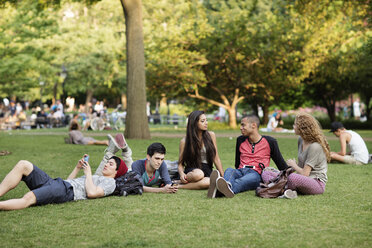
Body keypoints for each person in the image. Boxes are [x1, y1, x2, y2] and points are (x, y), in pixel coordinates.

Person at [0, 137, 128, 211]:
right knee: (24, 165)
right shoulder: (97, 177)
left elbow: (92, 193)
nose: (106, 164)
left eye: (111, 165)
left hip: (65, 191)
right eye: (108, 162)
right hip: (59, 184)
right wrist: (77, 168)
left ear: (116, 172)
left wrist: (88, 173)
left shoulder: (110, 183)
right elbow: (68, 182)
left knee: (29, 198)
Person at [208, 114, 288, 198]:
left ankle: (219, 190)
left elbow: (281, 164)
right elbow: (237, 163)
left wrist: (290, 173)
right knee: (229, 170)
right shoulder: (240, 140)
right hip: (240, 170)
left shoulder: (270, 142)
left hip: (256, 174)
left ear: (253, 125)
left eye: (243, 125)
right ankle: (226, 186)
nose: (240, 128)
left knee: (240, 181)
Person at [261, 112, 330, 198]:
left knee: (292, 177)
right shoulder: (301, 139)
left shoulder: (315, 147)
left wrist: (294, 165)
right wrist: (292, 169)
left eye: (295, 125)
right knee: (267, 172)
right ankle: (284, 189)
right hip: (300, 178)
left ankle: (280, 188)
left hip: (316, 183)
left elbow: (305, 174)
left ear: (302, 128)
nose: (293, 127)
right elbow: (301, 168)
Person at [178, 110, 224, 190]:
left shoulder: (211, 135)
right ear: (194, 123)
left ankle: (178, 185)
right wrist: (182, 174)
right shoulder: (184, 141)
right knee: (198, 174)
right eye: (202, 121)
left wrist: (223, 177)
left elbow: (216, 158)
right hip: (192, 171)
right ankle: (183, 181)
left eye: (206, 120)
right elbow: (180, 163)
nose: (206, 123)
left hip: (207, 170)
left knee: (209, 182)